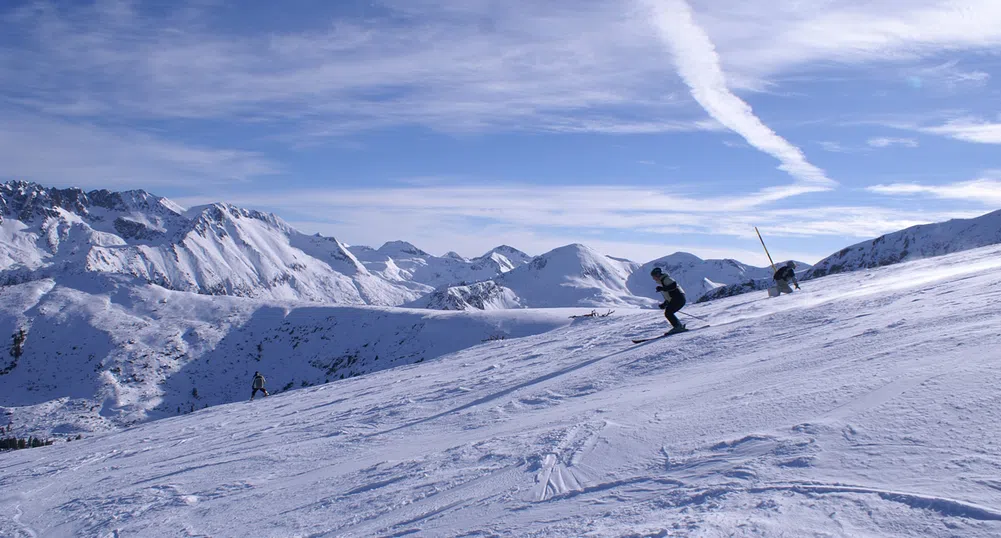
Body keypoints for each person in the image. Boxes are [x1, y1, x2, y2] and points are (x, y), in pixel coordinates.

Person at [651, 267, 687, 334]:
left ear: (657, 275)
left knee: (668, 312)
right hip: (678, 298)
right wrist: (664, 304)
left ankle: (678, 327)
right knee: (668, 312)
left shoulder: (666, 279)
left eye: (654, 276)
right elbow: (669, 295)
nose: (653, 278)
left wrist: (662, 288)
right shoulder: (663, 282)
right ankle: (678, 326)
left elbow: (673, 285)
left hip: (679, 298)